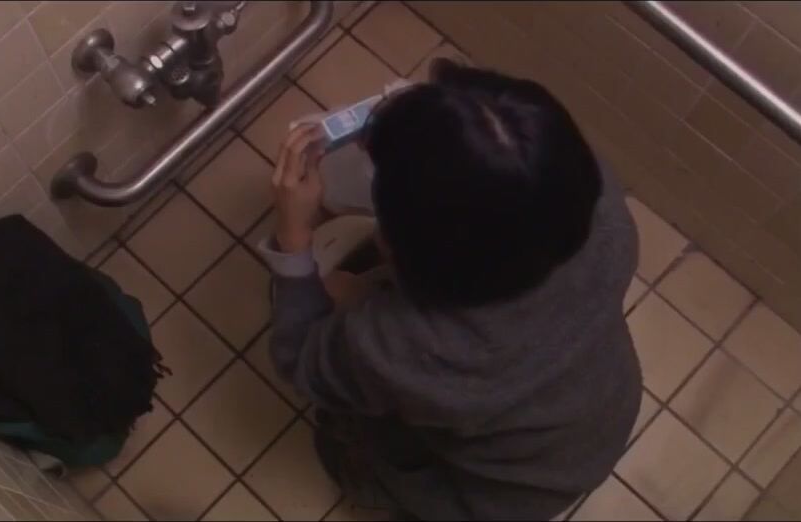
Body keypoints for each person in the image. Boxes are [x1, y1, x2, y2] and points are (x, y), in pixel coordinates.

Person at [257, 58, 642, 521]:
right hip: (595, 415)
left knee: (341, 433)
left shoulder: (418, 353)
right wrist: (419, 130)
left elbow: (300, 360)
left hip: (481, 497)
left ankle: (366, 477)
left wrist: (293, 237)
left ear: (400, 247)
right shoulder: (595, 202)